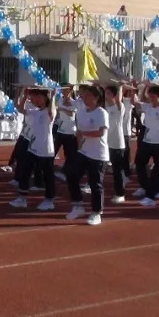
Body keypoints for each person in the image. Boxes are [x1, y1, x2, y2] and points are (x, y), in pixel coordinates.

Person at [65, 84, 108, 225]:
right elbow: (79, 132)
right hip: (83, 152)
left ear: (96, 98)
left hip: (98, 154)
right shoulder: (81, 112)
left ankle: (96, 213)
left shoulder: (101, 113)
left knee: (95, 184)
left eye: (89, 95)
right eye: (84, 95)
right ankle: (78, 205)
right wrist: (79, 145)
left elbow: (101, 132)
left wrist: (84, 134)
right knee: (71, 175)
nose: (85, 98)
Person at [9, 87, 57, 210]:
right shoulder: (35, 111)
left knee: (48, 176)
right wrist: (25, 96)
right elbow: (20, 109)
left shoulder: (49, 111)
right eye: (35, 97)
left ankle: (49, 200)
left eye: (40, 97)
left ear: (46, 99)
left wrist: (53, 97)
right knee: (24, 172)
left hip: (46, 150)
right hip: (32, 148)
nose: (36, 100)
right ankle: (22, 198)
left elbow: (52, 112)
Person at [134, 84, 159, 199]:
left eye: (154, 97)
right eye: (150, 97)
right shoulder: (147, 107)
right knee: (139, 164)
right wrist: (137, 87)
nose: (151, 99)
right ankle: (144, 186)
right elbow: (136, 102)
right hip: (147, 141)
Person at [104, 85, 129, 203]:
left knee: (117, 170)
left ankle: (120, 194)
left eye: (108, 93)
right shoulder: (105, 108)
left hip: (117, 144)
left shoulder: (120, 107)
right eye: (106, 93)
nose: (106, 95)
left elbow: (119, 100)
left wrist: (120, 86)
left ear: (114, 95)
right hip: (105, 143)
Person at [53, 85, 79, 182]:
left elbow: (72, 113)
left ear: (71, 90)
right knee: (53, 151)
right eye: (63, 90)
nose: (64, 92)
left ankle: (65, 173)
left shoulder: (74, 102)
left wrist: (62, 109)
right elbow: (56, 110)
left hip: (70, 132)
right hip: (60, 130)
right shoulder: (60, 100)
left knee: (70, 155)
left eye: (66, 90)